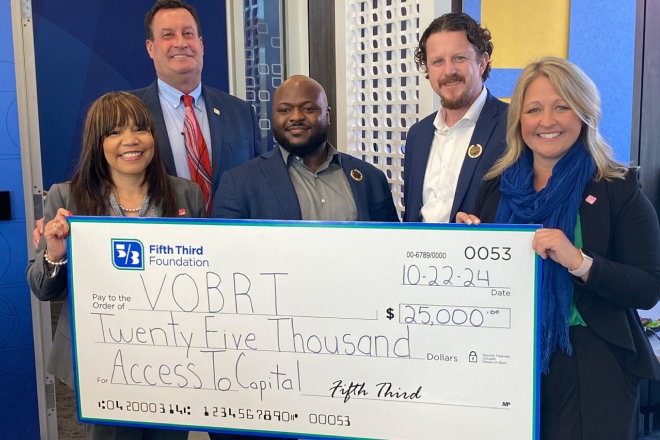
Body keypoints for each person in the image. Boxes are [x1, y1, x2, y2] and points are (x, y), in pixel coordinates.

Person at [457, 57, 660, 440]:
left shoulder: (617, 188)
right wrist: (467, 245)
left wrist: (580, 262)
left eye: (561, 107)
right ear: (519, 119)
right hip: (506, 356)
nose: (546, 121)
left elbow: (648, 288)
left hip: (591, 363)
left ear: (584, 113)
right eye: (533, 109)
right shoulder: (496, 187)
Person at [27, 92, 205, 440]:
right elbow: (42, 289)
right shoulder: (67, 197)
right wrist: (55, 253)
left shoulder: (187, 194)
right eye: (115, 132)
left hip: (173, 358)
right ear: (98, 142)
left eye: (140, 129)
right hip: (100, 361)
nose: (130, 140)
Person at [211, 75, 398, 223]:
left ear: (327, 115)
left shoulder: (371, 179)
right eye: (285, 110)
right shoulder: (239, 184)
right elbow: (226, 253)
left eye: (308, 109)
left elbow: (391, 247)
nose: (296, 117)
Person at [403, 13, 507, 223]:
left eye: (459, 58)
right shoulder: (417, 135)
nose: (448, 70)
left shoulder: (513, 126)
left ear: (482, 62)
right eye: (438, 61)